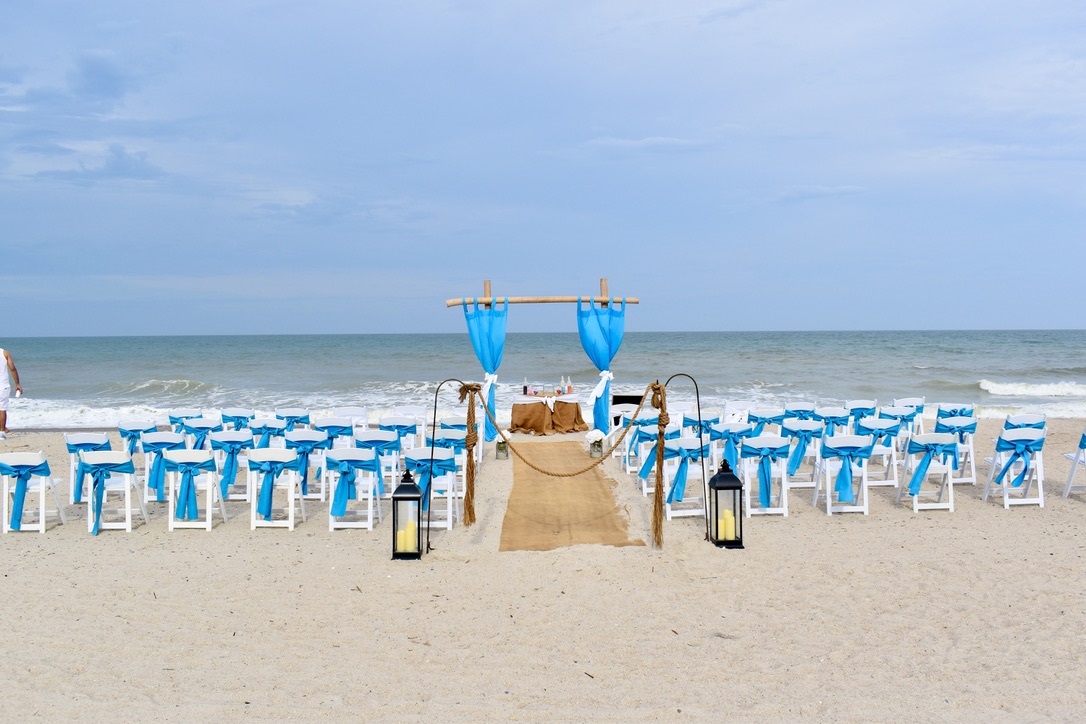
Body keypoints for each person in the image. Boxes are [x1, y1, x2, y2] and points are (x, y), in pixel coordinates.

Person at [0, 346, 22, 440]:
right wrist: (17, 384)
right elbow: (12, 368)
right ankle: (2, 432)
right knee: (2, 409)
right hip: (3, 386)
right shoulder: (4, 353)